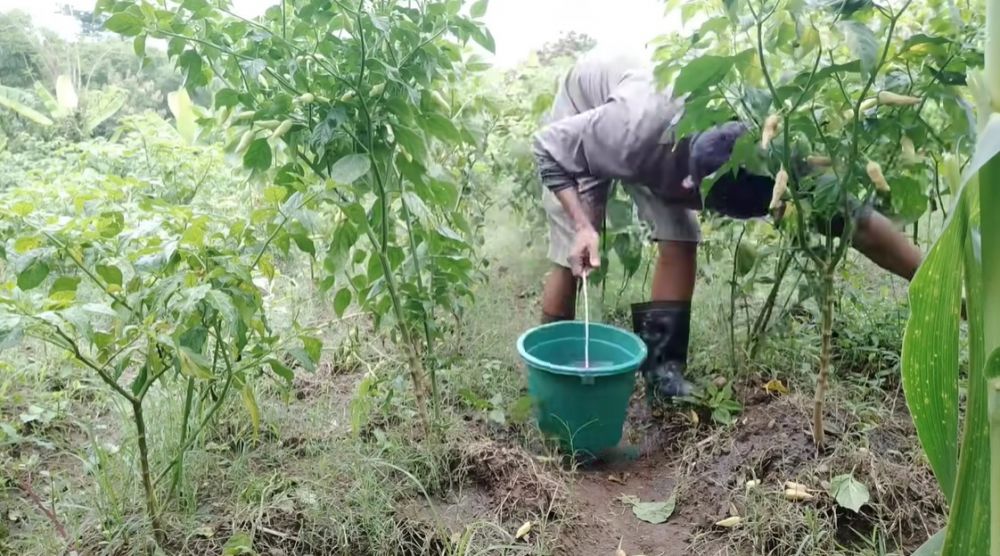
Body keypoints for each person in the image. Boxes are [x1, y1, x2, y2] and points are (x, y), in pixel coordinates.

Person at [532, 49, 923, 400]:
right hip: (589, 115)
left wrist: (941, 284)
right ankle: (548, 376)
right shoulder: (626, 129)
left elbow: (858, 222)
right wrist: (583, 224)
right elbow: (548, 148)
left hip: (661, 133)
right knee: (577, 252)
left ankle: (662, 375)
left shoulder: (765, 135)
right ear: (690, 185)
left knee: (681, 237)